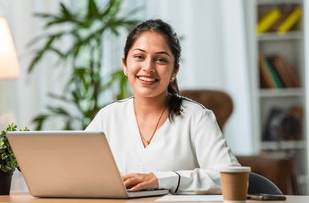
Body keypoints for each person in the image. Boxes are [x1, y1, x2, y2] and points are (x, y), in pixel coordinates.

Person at [85, 19, 239, 194]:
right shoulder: (108, 116)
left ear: (174, 71)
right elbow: (77, 171)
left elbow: (232, 178)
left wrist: (161, 180)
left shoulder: (196, 117)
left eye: (160, 60)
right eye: (139, 57)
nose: (148, 67)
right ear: (125, 65)